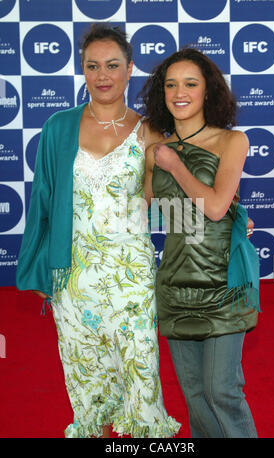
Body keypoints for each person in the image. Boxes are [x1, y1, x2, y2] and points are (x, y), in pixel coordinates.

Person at [16, 24, 180, 439]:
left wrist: (230, 213)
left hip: (132, 275)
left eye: (112, 65)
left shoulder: (151, 131)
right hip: (73, 273)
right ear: (83, 71)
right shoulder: (58, 126)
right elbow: (43, 202)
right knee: (85, 371)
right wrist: (38, 265)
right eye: (92, 66)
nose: (102, 75)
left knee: (139, 366)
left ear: (129, 70)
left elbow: (177, 196)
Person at [141, 48, 260, 438]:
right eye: (171, 84)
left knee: (220, 390)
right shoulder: (154, 149)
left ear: (208, 91)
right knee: (193, 394)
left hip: (223, 284)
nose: (180, 92)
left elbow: (213, 207)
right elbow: (148, 212)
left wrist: (176, 165)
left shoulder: (232, 141)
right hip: (175, 283)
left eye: (191, 83)